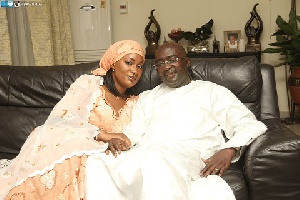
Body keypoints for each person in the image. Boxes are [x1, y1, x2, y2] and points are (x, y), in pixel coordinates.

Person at [84, 42, 267, 199]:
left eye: (172, 60)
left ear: (187, 62)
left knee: (155, 160)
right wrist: (121, 141)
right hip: (146, 152)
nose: (167, 66)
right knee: (97, 162)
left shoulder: (212, 91)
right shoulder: (148, 97)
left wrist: (230, 148)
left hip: (188, 154)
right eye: (161, 63)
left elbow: (248, 123)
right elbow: (135, 132)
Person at [0, 40, 145, 199]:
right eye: (129, 63)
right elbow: (62, 118)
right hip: (72, 143)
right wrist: (103, 135)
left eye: (139, 66)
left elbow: (136, 135)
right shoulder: (89, 84)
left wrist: (121, 142)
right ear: (113, 63)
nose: (134, 71)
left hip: (102, 158)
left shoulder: (136, 103)